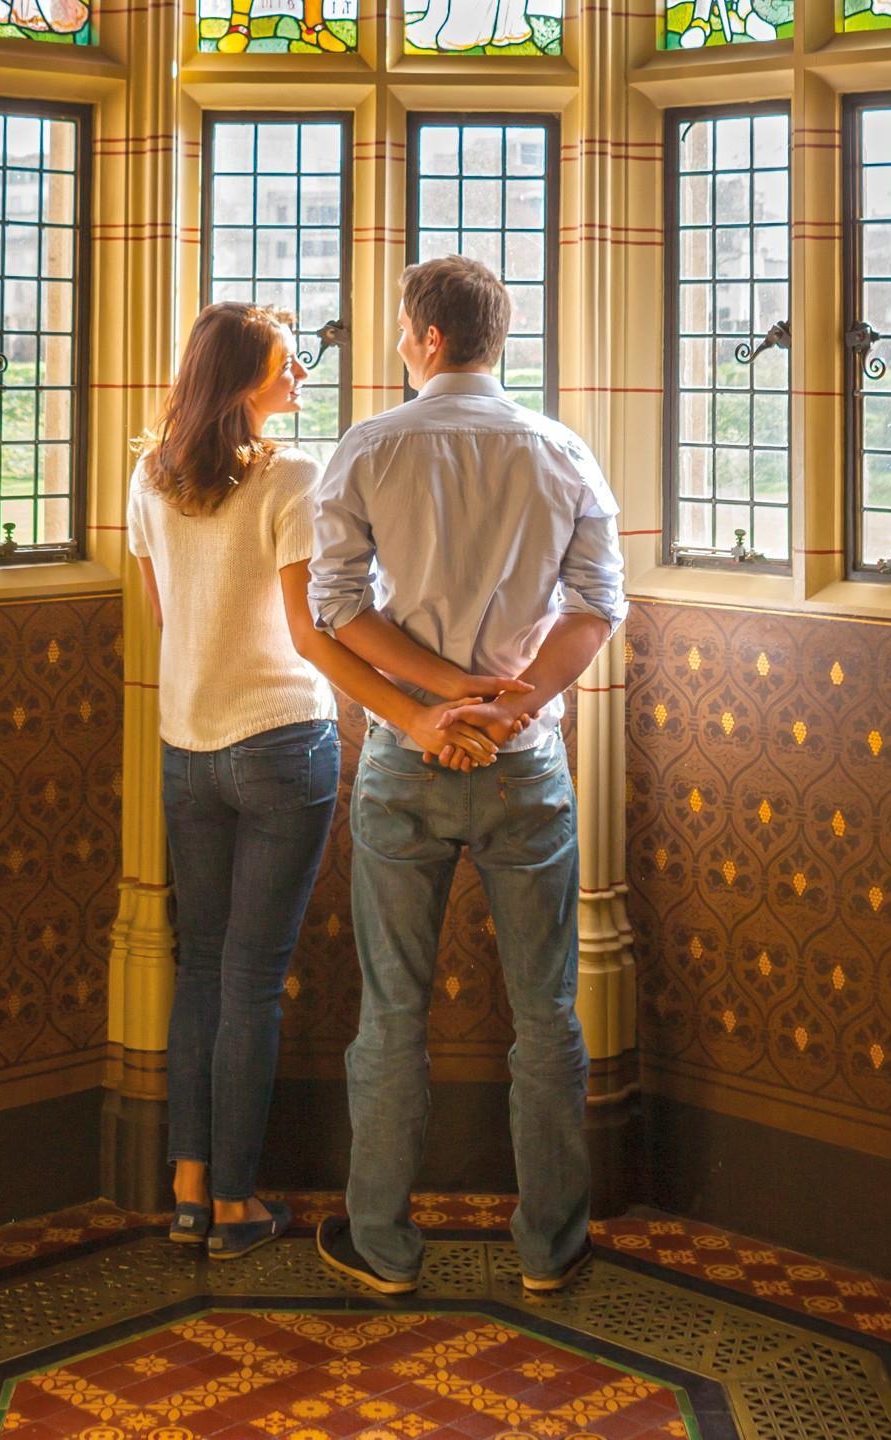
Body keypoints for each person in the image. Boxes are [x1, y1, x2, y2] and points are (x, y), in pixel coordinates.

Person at [126, 301, 533, 1261]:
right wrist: (416, 707)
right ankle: (234, 1204)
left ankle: (187, 1191)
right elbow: (312, 630)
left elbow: (163, 616)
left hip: (185, 746)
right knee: (253, 980)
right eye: (283, 366)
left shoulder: (149, 473)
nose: (299, 378)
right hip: (280, 743)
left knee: (202, 969)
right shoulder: (293, 476)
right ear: (240, 383)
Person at [307, 256, 627, 1295]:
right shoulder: (563, 451)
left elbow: (339, 611)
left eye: (403, 330)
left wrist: (442, 709)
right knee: (549, 1011)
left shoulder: (369, 447)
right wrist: (510, 704)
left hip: (407, 760)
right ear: (498, 335)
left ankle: (383, 1246)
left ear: (426, 336)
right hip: (523, 765)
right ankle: (552, 1247)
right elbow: (596, 607)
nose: (403, 343)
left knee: (392, 1010)